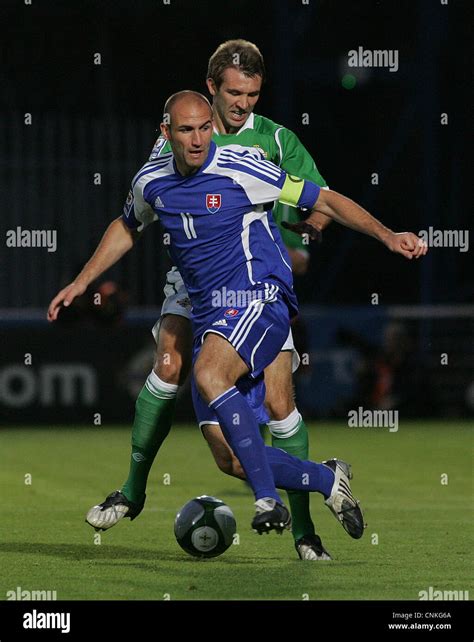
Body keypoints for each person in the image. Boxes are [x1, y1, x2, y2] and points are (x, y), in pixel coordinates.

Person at [48, 91, 426, 538]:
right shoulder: (151, 180)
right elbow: (128, 225)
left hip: (259, 296)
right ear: (165, 133)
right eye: (186, 130)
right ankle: (328, 478)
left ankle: (270, 503)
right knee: (229, 457)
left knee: (211, 375)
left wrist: (386, 235)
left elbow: (323, 199)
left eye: (205, 128)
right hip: (209, 312)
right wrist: (83, 280)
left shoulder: (241, 166)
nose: (198, 140)